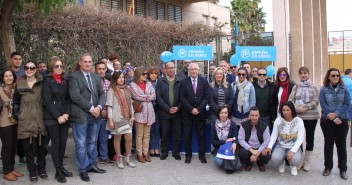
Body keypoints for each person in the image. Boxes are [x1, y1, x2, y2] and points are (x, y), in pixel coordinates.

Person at [68, 53, 106, 182]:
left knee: (92, 142)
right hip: (81, 116)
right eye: (85, 62)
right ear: (80, 63)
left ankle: (91, 165)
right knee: (81, 144)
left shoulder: (96, 77)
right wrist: (91, 108)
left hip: (95, 115)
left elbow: (102, 94)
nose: (88, 64)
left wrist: (99, 108)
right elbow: (75, 96)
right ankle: (82, 169)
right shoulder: (73, 77)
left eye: (90, 62)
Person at [13, 60, 47, 182]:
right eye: (27, 67)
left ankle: (41, 170)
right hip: (25, 121)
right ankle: (32, 171)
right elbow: (16, 101)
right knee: (28, 150)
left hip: (40, 120)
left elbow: (46, 101)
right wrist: (18, 114)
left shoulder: (42, 83)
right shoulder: (20, 83)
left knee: (41, 149)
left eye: (32, 68)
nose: (29, 70)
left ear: (36, 70)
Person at [42, 56, 72, 183]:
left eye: (61, 66)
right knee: (56, 144)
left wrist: (66, 114)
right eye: (56, 66)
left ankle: (60, 167)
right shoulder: (47, 81)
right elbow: (47, 101)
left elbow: (68, 99)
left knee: (63, 144)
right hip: (52, 117)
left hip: (64, 117)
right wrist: (58, 116)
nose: (59, 68)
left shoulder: (65, 80)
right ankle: (58, 171)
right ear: (51, 68)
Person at [319, 68, 350, 180]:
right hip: (327, 120)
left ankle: (343, 169)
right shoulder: (323, 89)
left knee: (341, 145)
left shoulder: (344, 88)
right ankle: (328, 167)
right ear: (328, 77)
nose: (335, 77)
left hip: (341, 120)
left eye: (337, 75)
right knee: (328, 143)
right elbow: (323, 104)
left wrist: (336, 114)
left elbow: (347, 104)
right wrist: (331, 117)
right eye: (333, 75)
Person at [288, 67, 319, 171]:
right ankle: (300, 160)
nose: (303, 75)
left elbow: (316, 101)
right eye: (301, 73)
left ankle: (307, 162)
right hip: (299, 117)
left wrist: (305, 107)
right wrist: (297, 109)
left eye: (305, 73)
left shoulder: (314, 87)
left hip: (311, 117)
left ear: (308, 74)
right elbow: (290, 100)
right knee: (299, 138)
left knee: (310, 138)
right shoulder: (295, 87)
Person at [263, 101, 305, 176]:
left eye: (287, 110)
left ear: (292, 110)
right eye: (283, 110)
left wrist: (293, 151)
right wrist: (269, 147)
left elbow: (301, 138)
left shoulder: (299, 121)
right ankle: (282, 161)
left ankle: (293, 166)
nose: (285, 112)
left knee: (295, 160)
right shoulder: (278, 120)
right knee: (275, 159)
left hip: (293, 145)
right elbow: (274, 135)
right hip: (281, 145)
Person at [180, 62, 210, 164]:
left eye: (195, 69)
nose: (193, 71)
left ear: (198, 70)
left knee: (201, 136)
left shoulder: (204, 81)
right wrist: (191, 109)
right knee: (187, 136)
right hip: (187, 114)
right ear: (189, 70)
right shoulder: (184, 82)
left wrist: (199, 109)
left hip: (200, 114)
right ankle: (188, 156)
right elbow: (182, 97)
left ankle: (202, 156)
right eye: (191, 69)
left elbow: (207, 97)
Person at [106, 71, 136, 169]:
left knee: (129, 138)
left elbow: (130, 104)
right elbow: (109, 106)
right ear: (115, 79)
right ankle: (119, 158)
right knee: (117, 139)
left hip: (127, 118)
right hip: (116, 118)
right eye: (119, 77)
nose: (121, 79)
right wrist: (110, 120)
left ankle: (127, 158)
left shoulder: (127, 89)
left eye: (123, 77)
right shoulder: (111, 90)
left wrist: (132, 116)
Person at [0, 69, 24, 181]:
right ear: (3, 78)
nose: (8, 77)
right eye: (6, 76)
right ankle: (6, 171)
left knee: (14, 146)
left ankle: (11, 168)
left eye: (10, 75)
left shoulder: (16, 89)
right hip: (4, 122)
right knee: (7, 147)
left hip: (15, 120)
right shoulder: (0, 90)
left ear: (13, 77)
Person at [156, 62, 182, 160]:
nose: (171, 70)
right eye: (169, 68)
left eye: (172, 68)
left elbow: (182, 97)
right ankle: (164, 152)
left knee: (177, 134)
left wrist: (178, 107)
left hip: (177, 112)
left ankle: (176, 153)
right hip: (164, 112)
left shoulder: (180, 81)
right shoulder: (160, 81)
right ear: (165, 70)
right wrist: (168, 108)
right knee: (164, 134)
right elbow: (158, 97)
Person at [129, 67, 156, 163]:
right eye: (143, 74)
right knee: (139, 135)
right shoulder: (132, 84)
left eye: (146, 74)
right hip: (140, 112)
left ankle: (145, 152)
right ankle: (139, 153)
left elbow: (154, 95)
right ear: (138, 75)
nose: (146, 75)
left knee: (147, 135)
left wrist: (147, 97)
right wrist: (148, 96)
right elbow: (137, 96)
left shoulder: (149, 83)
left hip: (150, 113)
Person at [238, 107, 271, 172]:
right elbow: (241, 139)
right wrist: (251, 150)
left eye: (256, 115)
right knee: (242, 153)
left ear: (259, 116)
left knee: (267, 155)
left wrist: (258, 152)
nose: (254, 117)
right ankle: (248, 162)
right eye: (252, 115)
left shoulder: (265, 126)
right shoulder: (243, 125)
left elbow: (267, 140)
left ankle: (260, 162)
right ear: (249, 116)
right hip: (248, 148)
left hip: (260, 148)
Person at [93, 62, 114, 166]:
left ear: (106, 69)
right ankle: (92, 159)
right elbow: (93, 99)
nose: (101, 71)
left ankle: (104, 158)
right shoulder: (92, 82)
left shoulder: (108, 82)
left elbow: (110, 98)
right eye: (99, 69)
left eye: (103, 69)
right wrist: (101, 111)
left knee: (104, 138)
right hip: (96, 114)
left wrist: (108, 112)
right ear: (95, 70)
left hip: (107, 115)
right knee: (93, 139)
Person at [8, 52, 26, 165]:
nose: (18, 61)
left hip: (22, 104)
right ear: (11, 60)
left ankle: (21, 155)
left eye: (20, 59)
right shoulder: (6, 72)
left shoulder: (25, 71)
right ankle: (5, 159)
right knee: (9, 134)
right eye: (15, 59)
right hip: (9, 105)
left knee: (21, 132)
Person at [211, 106, 238, 172]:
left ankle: (228, 165)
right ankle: (227, 165)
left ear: (228, 114)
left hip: (231, 147)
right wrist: (225, 141)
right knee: (218, 161)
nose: (223, 115)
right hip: (219, 147)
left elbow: (236, 138)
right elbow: (213, 142)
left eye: (225, 113)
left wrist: (234, 143)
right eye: (221, 113)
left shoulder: (233, 124)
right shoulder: (214, 125)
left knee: (233, 156)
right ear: (218, 114)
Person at [148, 67, 160, 158]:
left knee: (157, 129)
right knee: (150, 130)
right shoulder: (146, 83)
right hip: (148, 109)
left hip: (158, 109)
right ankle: (150, 148)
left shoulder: (159, 83)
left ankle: (156, 147)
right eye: (151, 73)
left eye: (155, 73)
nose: (153, 75)